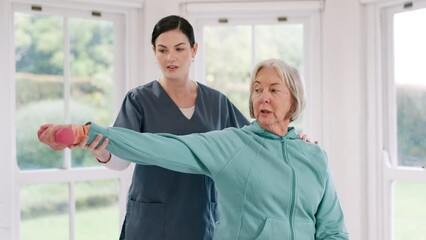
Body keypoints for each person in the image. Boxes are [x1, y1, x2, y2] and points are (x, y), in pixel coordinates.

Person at [38, 58, 348, 239]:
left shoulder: (314, 157)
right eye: (257, 89)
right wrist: (88, 134)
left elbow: (333, 229)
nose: (263, 97)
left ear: (293, 100)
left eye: (273, 90)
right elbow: (159, 146)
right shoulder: (231, 145)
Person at [101, 15, 248, 239]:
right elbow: (120, 157)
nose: (171, 58)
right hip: (150, 220)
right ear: (154, 52)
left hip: (200, 217)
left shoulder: (217, 103)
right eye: (162, 50)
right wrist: (101, 151)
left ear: (194, 50)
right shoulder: (139, 100)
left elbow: (251, 143)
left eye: (179, 49)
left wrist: (293, 140)